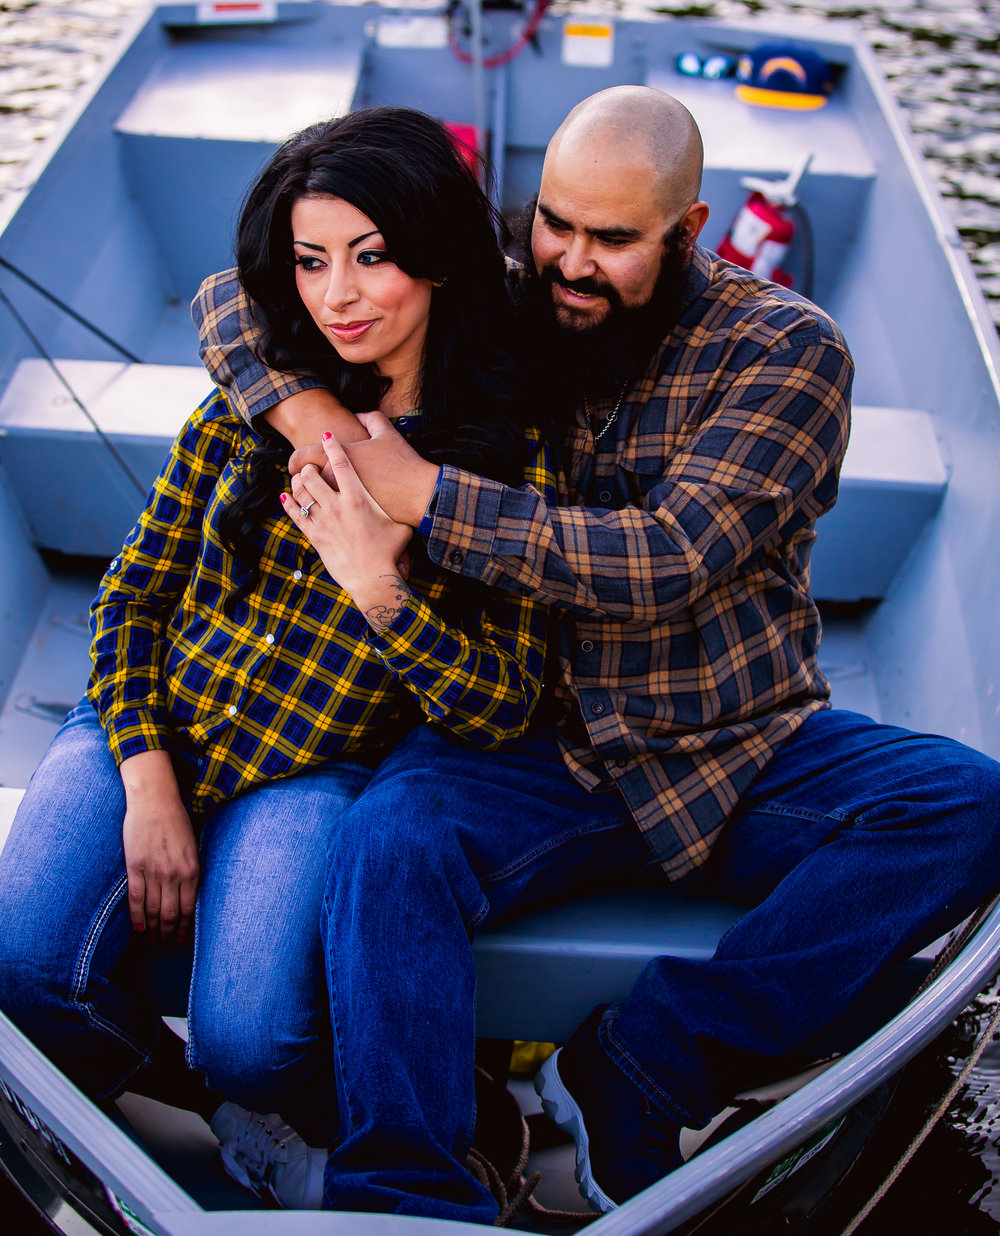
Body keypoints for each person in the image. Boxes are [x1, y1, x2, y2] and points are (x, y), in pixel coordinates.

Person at [194, 85, 1000, 1222]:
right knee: (389, 842)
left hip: (731, 741)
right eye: (554, 223)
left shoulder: (785, 355)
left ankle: (648, 1059)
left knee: (965, 806)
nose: (570, 263)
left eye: (613, 240)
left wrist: (422, 493)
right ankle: (412, 1193)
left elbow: (663, 557)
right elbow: (231, 300)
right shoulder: (516, 305)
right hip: (529, 746)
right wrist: (332, 434)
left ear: (690, 229)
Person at [0, 106, 554, 1212]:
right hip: (145, 714)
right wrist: (146, 779)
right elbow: (132, 597)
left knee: (251, 1037)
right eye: (310, 262)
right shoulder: (262, 391)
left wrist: (379, 589)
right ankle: (209, 1119)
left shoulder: (506, 455)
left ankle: (273, 1102)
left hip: (315, 765)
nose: (337, 295)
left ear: (437, 259)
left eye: (372, 258)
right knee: (25, 971)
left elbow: (503, 706)